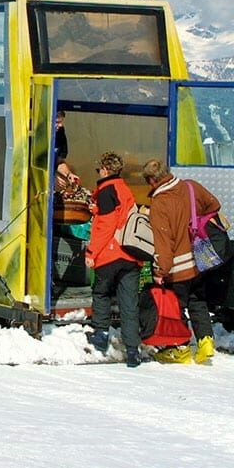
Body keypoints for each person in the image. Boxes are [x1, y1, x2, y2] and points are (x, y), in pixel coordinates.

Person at [140, 158, 218, 365]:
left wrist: (160, 271)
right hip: (200, 258)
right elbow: (214, 204)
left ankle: (180, 348)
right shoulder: (191, 187)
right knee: (198, 301)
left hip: (179, 266)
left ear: (152, 181)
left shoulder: (159, 203)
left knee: (177, 306)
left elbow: (164, 243)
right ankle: (206, 342)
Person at [84, 152, 141, 367]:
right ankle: (133, 349)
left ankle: (101, 335)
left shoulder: (107, 190)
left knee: (101, 293)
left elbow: (106, 225)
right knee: (129, 303)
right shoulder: (123, 189)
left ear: (105, 170)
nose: (98, 173)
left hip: (110, 253)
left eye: (99, 170)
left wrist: (92, 252)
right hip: (130, 255)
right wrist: (97, 209)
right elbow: (120, 215)